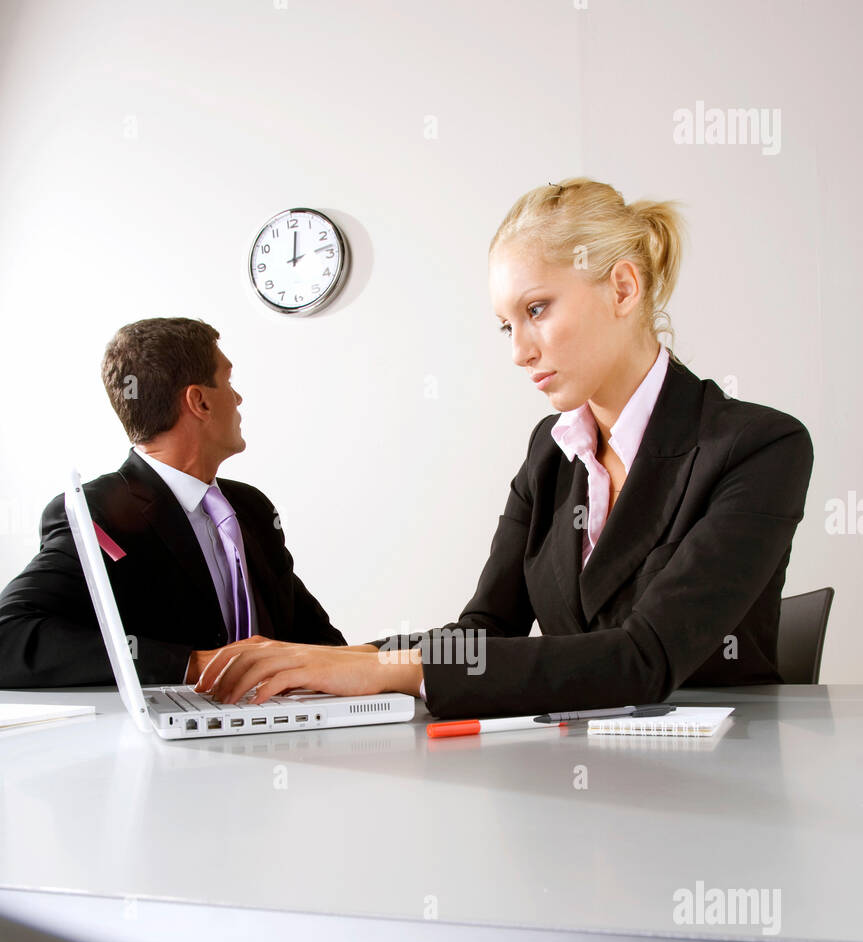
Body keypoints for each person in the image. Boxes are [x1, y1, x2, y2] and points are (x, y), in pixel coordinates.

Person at [194, 178, 814, 718]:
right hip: (582, 769)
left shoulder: (758, 446)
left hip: (721, 780)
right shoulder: (552, 449)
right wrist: (330, 661)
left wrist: (384, 672)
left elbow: (643, 657)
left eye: (537, 309)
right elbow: (485, 630)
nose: (519, 351)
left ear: (623, 289)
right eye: (506, 325)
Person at [0, 318, 344, 688]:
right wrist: (196, 665)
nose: (238, 398)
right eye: (228, 382)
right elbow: (9, 638)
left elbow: (322, 644)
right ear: (199, 401)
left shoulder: (253, 509)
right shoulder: (98, 514)